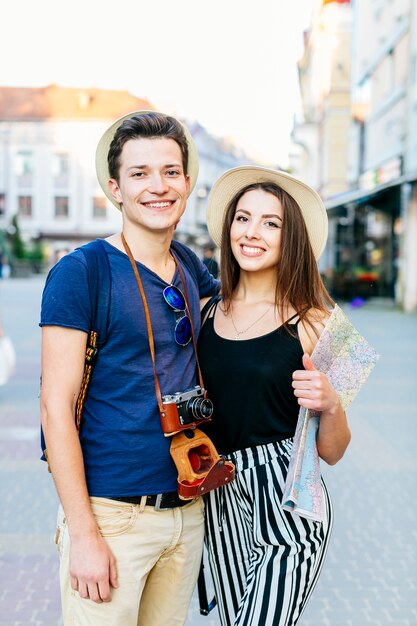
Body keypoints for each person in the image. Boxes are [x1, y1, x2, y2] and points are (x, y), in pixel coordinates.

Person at [39, 110, 220, 626]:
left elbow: (255, 317)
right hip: (111, 516)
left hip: (187, 511)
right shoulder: (82, 272)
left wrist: (340, 371)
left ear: (187, 183)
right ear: (115, 188)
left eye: (170, 171)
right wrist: (84, 536)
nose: (157, 187)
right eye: (140, 174)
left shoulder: (188, 264)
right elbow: (55, 409)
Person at [198, 166, 351, 626]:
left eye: (271, 223)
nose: (252, 232)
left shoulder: (328, 325)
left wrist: (331, 403)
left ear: (292, 238)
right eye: (243, 218)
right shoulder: (204, 312)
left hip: (289, 498)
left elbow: (336, 452)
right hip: (220, 496)